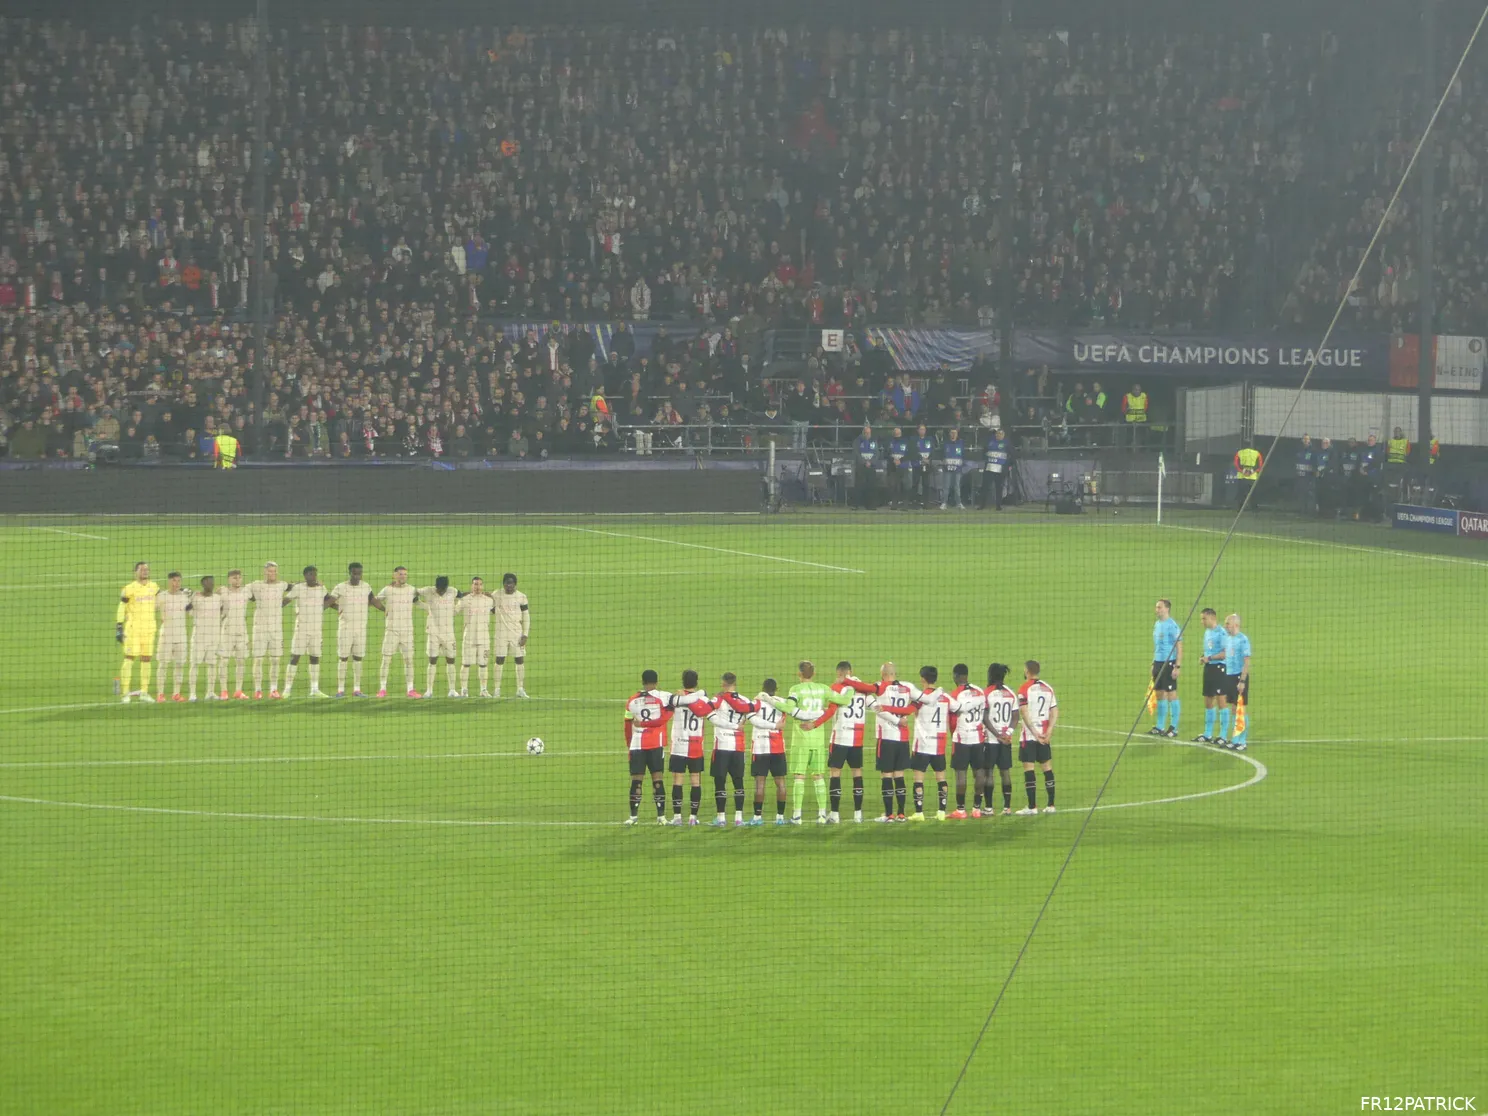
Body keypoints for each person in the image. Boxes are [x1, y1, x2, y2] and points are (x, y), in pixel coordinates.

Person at [818, 660, 880, 824]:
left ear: (839, 673)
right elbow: (875, 706)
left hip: (839, 737)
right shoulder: (862, 687)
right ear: (850, 672)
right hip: (857, 738)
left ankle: (835, 814)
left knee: (835, 773)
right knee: (857, 774)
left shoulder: (836, 688)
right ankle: (858, 814)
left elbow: (831, 710)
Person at [783, 660, 833, 824]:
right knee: (818, 777)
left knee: (799, 777)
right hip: (818, 740)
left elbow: (789, 708)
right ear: (814, 673)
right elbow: (840, 700)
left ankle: (797, 816)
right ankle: (822, 815)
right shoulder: (823, 688)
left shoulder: (795, 689)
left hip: (801, 740)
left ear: (799, 673)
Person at [666, 670, 716, 825]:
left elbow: (673, 703)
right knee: (695, 781)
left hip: (679, 746)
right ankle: (693, 817)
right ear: (697, 681)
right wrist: (701, 693)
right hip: (695, 746)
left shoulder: (675, 698)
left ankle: (677, 817)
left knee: (677, 781)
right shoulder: (703, 698)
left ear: (683, 681)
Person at [623, 669, 673, 826]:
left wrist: (630, 744)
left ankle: (633, 817)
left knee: (636, 781)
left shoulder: (631, 700)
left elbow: (627, 724)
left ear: (642, 682)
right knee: (657, 780)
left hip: (637, 745)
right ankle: (661, 817)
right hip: (655, 744)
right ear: (656, 682)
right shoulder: (662, 698)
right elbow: (666, 716)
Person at [707, 673, 755, 827]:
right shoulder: (745, 700)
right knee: (738, 781)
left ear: (723, 683)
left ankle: (721, 818)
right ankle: (738, 818)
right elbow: (749, 717)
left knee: (720, 782)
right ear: (735, 682)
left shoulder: (718, 699)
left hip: (721, 746)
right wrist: (736, 726)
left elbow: (710, 715)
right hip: (738, 747)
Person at [744, 678, 793, 827]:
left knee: (760, 784)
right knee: (781, 783)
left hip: (760, 748)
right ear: (776, 689)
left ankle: (757, 817)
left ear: (762, 688)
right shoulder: (782, 703)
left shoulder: (757, 702)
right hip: (778, 748)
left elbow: (752, 719)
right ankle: (780, 817)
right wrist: (776, 725)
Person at [905, 666, 951, 820]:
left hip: (922, 745)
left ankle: (919, 813)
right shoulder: (945, 696)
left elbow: (913, 711)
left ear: (922, 679)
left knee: (918, 779)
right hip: (939, 745)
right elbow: (957, 708)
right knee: (941, 778)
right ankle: (942, 812)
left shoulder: (921, 697)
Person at [872, 662, 916, 821]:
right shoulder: (907, 687)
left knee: (886, 775)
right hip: (902, 739)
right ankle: (902, 813)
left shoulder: (881, 687)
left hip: (886, 738)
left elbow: (877, 708)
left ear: (883, 675)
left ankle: (889, 814)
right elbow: (918, 701)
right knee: (899, 775)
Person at [328, 562, 378, 697]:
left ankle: (357, 689)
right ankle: (340, 690)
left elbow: (373, 600)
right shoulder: (341, 587)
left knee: (358, 658)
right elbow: (330, 600)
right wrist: (336, 608)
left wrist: (386, 610)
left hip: (361, 629)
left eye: (359, 573)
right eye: (354, 573)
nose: (357, 576)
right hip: (345, 629)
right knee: (343, 658)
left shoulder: (366, 586)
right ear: (349, 573)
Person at [1016, 660, 1058, 815]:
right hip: (1044, 735)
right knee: (1047, 768)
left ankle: (1032, 807)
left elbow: (1024, 712)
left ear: (1027, 671)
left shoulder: (1024, 688)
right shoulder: (1048, 688)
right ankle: (1051, 805)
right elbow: (1054, 711)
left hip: (1029, 736)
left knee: (1029, 769)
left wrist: (1034, 732)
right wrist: (1049, 732)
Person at [946, 664, 987, 818]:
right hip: (978, 738)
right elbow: (984, 713)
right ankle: (977, 808)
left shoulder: (955, 694)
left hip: (961, 739)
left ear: (955, 676)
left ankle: (961, 810)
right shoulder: (979, 691)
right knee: (979, 772)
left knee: (960, 774)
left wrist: (954, 734)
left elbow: (952, 720)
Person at [115, 561, 159, 703]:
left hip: (149, 629)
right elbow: (122, 607)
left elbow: (161, 601)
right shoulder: (129, 589)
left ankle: (144, 692)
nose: (145, 571)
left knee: (146, 660)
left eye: (147, 569)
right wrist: (119, 627)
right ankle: (125, 693)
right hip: (133, 629)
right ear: (136, 572)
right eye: (142, 569)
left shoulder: (154, 587)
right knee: (129, 658)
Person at [282, 566, 330, 698]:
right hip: (301, 629)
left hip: (317, 630)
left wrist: (341, 608)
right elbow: (285, 601)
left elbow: (329, 600)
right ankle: (287, 690)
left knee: (315, 658)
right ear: (305, 576)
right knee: (295, 657)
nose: (313, 577)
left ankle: (314, 689)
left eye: (315, 574)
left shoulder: (321, 588)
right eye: (310, 574)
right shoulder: (298, 588)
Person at [375, 566, 420, 698]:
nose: (403, 577)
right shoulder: (387, 590)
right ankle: (382, 689)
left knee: (409, 660)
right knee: (386, 659)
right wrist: (384, 609)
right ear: (394, 575)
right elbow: (374, 600)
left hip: (407, 631)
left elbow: (419, 601)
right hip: (392, 630)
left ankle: (410, 689)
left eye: (405, 574)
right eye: (400, 574)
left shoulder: (411, 590)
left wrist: (429, 609)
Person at [247, 561, 289, 699]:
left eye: (274, 571)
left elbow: (296, 587)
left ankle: (273, 689)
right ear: (264, 572)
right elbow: (241, 590)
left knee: (276, 660)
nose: (272, 574)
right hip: (260, 628)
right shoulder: (256, 585)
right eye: (270, 571)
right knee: (258, 660)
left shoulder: (282, 585)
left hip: (276, 629)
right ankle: (258, 690)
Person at [982, 663, 1019, 816]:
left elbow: (984, 717)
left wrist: (997, 735)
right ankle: (1007, 808)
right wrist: (1008, 733)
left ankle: (989, 808)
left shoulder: (987, 693)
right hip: (1006, 740)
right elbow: (1016, 716)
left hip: (991, 739)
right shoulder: (1011, 693)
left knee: (988, 773)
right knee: (1005, 772)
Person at [417, 576, 460, 698]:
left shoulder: (452, 591)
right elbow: (414, 592)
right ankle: (429, 690)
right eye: (439, 589)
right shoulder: (428, 590)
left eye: (443, 589)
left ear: (446, 587)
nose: (441, 591)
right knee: (432, 661)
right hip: (433, 633)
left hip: (449, 634)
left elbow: (462, 595)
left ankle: (452, 690)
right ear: (436, 587)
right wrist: (418, 603)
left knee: (451, 661)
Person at [153, 571, 191, 702]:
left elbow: (191, 612)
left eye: (179, 581)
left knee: (180, 665)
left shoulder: (185, 596)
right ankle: (160, 694)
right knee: (163, 664)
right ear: (169, 581)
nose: (176, 584)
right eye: (174, 581)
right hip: (166, 636)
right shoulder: (161, 596)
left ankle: (176, 693)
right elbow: (150, 609)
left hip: (181, 636)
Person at [1148, 598, 1183, 738]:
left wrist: (1177, 666)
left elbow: (1179, 647)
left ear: (1167, 609)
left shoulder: (1172, 626)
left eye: (1159, 607)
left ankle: (1174, 727)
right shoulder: (1157, 624)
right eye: (1156, 607)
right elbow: (1157, 646)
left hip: (1169, 663)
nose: (1157, 610)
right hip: (1158, 662)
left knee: (1171, 693)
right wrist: (1153, 663)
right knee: (1159, 694)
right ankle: (1160, 726)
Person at [455, 577, 495, 697]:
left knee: (483, 664)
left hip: (484, 638)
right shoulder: (465, 600)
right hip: (469, 637)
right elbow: (455, 611)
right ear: (471, 586)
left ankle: (483, 690)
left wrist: (493, 597)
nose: (478, 587)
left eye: (480, 584)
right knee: (466, 664)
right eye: (475, 584)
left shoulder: (489, 601)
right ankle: (464, 690)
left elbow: (496, 610)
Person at [492, 573, 530, 698]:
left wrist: (525, 634)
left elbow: (526, 616)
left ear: (515, 584)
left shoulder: (521, 597)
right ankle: (497, 689)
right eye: (507, 583)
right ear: (503, 584)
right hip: (501, 634)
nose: (509, 586)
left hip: (516, 634)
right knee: (499, 660)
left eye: (511, 584)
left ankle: (520, 688)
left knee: (519, 660)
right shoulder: (496, 595)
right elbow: (489, 608)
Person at [1218, 614, 1252, 750]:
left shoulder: (1243, 640)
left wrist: (1242, 681)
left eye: (1228, 623)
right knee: (1233, 709)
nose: (1225, 626)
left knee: (1240, 709)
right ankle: (1235, 739)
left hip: (1239, 677)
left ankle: (1242, 741)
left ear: (1236, 625)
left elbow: (1247, 662)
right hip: (1229, 676)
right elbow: (1225, 654)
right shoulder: (1227, 639)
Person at [217, 569, 252, 699]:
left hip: (242, 631)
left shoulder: (246, 591)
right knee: (224, 661)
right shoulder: (223, 592)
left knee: (241, 661)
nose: (237, 580)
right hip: (227, 631)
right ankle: (224, 691)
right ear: (229, 579)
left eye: (239, 578)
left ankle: (238, 690)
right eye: (234, 578)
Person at [188, 575, 223, 702]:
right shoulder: (196, 598)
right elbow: (188, 610)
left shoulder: (218, 598)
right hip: (199, 637)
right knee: (195, 664)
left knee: (212, 664)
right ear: (203, 584)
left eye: (212, 583)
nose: (211, 585)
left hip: (213, 637)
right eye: (208, 583)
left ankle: (211, 692)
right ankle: (192, 693)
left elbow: (222, 611)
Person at [1194, 608, 1227, 743]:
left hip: (1220, 669)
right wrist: (1204, 657)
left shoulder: (1222, 633)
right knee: (1208, 700)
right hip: (1209, 669)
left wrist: (1210, 658)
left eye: (1204, 619)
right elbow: (1208, 651)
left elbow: (1225, 653)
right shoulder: (1207, 632)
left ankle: (1223, 736)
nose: (1202, 621)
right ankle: (1208, 734)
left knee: (1221, 702)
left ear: (1212, 618)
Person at [979, 423, 1010, 509]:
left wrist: (1007, 466)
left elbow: (1011, 456)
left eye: (1000, 434)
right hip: (989, 468)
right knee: (985, 487)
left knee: (999, 488)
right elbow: (984, 452)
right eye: (997, 434)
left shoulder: (1007, 444)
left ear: (1003, 435)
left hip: (1000, 470)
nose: (998, 435)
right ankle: (982, 505)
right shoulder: (990, 442)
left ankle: (998, 505)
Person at [853, 423, 879, 510]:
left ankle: (870, 505)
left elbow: (877, 454)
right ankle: (856, 505)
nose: (868, 434)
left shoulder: (874, 441)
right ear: (863, 433)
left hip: (871, 467)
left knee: (871, 486)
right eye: (866, 433)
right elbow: (856, 454)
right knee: (859, 486)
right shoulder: (857, 441)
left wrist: (871, 462)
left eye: (869, 433)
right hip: (861, 467)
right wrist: (864, 462)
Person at [940, 427, 967, 510]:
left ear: (957, 434)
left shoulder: (961, 443)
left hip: (957, 469)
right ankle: (944, 503)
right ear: (949, 434)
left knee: (957, 486)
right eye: (952, 432)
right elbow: (942, 456)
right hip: (947, 468)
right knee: (946, 486)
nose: (953, 434)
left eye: (955, 433)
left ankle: (959, 503)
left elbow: (963, 455)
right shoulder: (945, 443)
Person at [1233, 440, 1262, 509]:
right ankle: (1254, 508)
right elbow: (1260, 465)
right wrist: (1253, 471)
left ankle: (1239, 508)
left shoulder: (1239, 452)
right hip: (1253, 476)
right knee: (1253, 493)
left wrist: (1242, 470)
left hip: (1242, 475)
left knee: (1241, 493)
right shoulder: (1257, 453)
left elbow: (1236, 463)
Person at [911, 423, 935, 508]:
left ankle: (926, 503)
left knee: (926, 484)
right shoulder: (913, 440)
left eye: (923, 429)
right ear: (917, 430)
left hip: (927, 465)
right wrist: (921, 459)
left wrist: (929, 460)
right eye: (921, 429)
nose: (922, 431)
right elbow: (913, 451)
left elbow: (933, 451)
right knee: (915, 483)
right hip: (917, 464)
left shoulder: (930, 439)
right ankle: (914, 502)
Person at [1294, 434, 1318, 516]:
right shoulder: (1299, 450)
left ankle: (1310, 512)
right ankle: (1301, 511)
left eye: (1307, 439)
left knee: (1310, 494)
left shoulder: (1313, 451)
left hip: (1309, 477)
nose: (1305, 441)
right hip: (1300, 476)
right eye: (1304, 439)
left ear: (1309, 440)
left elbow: (1315, 464)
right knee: (1300, 493)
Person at [885, 427, 908, 509]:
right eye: (895, 433)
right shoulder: (889, 442)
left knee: (904, 485)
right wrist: (893, 460)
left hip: (903, 466)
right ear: (893, 433)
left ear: (901, 433)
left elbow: (908, 453)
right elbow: (886, 453)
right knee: (894, 486)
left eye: (898, 433)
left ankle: (905, 505)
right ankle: (894, 504)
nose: (897, 434)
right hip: (892, 466)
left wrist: (900, 460)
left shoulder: (905, 441)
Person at [1315, 437, 1337, 518]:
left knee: (1327, 495)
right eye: (1323, 443)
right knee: (1319, 494)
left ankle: (1328, 513)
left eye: (1326, 443)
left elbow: (1331, 464)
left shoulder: (1332, 453)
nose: (1324, 444)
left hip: (1328, 478)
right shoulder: (1318, 452)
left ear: (1330, 444)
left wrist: (1322, 471)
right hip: (1318, 477)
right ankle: (1319, 512)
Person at [1122, 382, 1148, 447]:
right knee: (1129, 436)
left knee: (1143, 436)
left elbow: (1146, 407)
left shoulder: (1144, 396)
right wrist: (1126, 411)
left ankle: (1143, 448)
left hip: (1141, 419)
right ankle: (1128, 449)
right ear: (1132, 390)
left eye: (1139, 390)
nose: (1137, 391)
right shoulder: (1127, 396)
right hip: (1130, 420)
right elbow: (1123, 408)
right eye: (1135, 389)